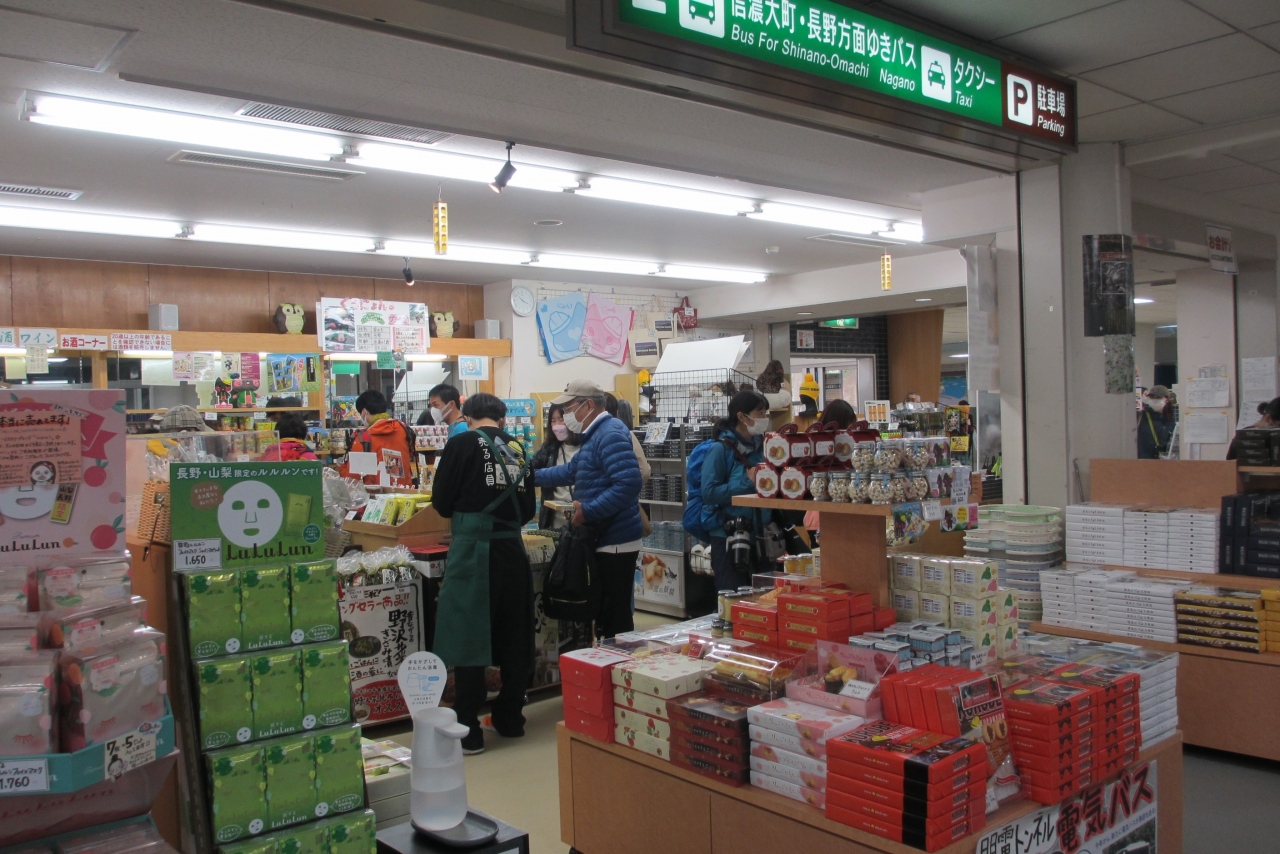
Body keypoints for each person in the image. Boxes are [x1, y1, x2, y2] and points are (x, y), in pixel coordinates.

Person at [430, 393, 536, 754]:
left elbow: (442, 501)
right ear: (502, 419)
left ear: (468, 417)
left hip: (473, 551)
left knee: (468, 635)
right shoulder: (518, 447)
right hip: (513, 551)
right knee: (514, 633)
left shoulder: (461, 444)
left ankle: (468, 730)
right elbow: (527, 508)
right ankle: (511, 718)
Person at [534, 380, 642, 637]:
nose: (566, 415)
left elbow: (628, 484)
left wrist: (588, 511)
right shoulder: (594, 435)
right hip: (603, 535)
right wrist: (529, 477)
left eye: (569, 408)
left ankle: (618, 659)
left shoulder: (609, 433)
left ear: (589, 405)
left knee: (614, 614)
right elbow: (571, 471)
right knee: (604, 611)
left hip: (615, 540)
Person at [701, 390, 772, 591]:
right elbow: (709, 493)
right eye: (760, 413)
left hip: (762, 537)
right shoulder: (720, 449)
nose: (765, 418)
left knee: (765, 598)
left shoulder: (763, 447)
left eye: (766, 413)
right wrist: (747, 483)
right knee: (732, 597)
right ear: (742, 416)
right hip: (729, 537)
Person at [338, 390, 416, 486]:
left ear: (364, 412)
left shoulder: (363, 438)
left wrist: (342, 468)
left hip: (376, 493)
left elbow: (353, 479)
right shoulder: (404, 429)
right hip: (405, 491)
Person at [530, 404, 580, 529]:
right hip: (553, 520)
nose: (557, 425)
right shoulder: (549, 448)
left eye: (561, 419)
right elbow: (529, 469)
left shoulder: (586, 447)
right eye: (553, 421)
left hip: (581, 518)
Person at [1137, 385, 1176, 459]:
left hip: (1161, 462)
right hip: (1142, 461)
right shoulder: (1141, 416)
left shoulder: (1170, 422)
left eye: (1158, 397)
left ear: (1167, 399)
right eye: (1151, 397)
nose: (1154, 400)